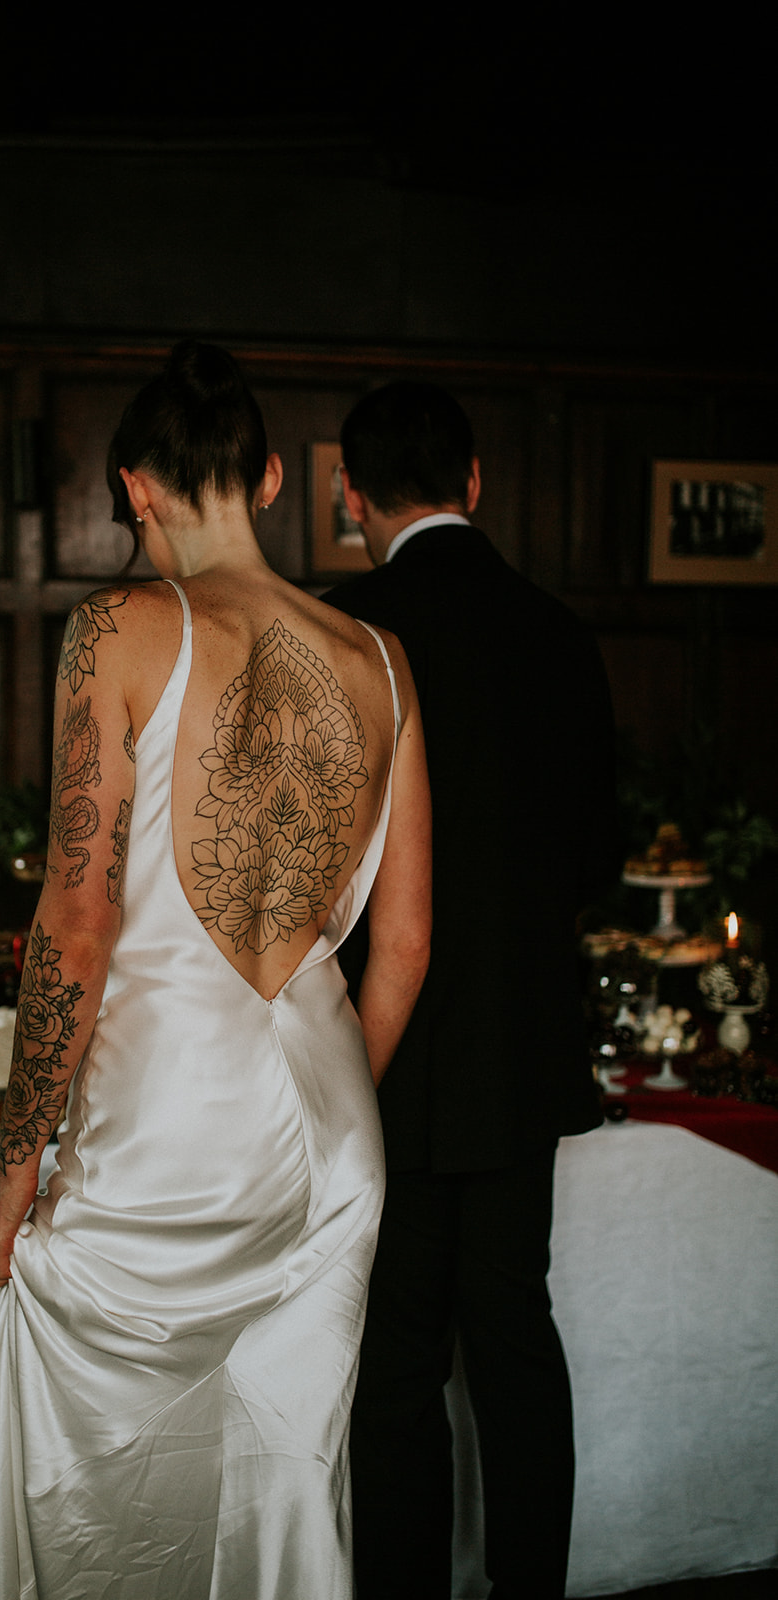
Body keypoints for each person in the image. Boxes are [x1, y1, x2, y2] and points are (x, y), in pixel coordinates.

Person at [0, 342, 431, 1600]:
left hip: (173, 1127)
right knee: (283, 1477)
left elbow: (76, 924)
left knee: (69, 1450)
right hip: (336, 1134)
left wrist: (17, 1165)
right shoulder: (381, 660)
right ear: (275, 476)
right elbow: (401, 947)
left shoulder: (116, 628)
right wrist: (323, 1120)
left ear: (133, 488)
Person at [329, 381, 616, 1600]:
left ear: (350, 498)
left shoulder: (337, 632)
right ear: (476, 479)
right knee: (512, 1338)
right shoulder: (557, 632)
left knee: (393, 1367)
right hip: (513, 1049)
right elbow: (597, 862)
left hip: (375, 1054)